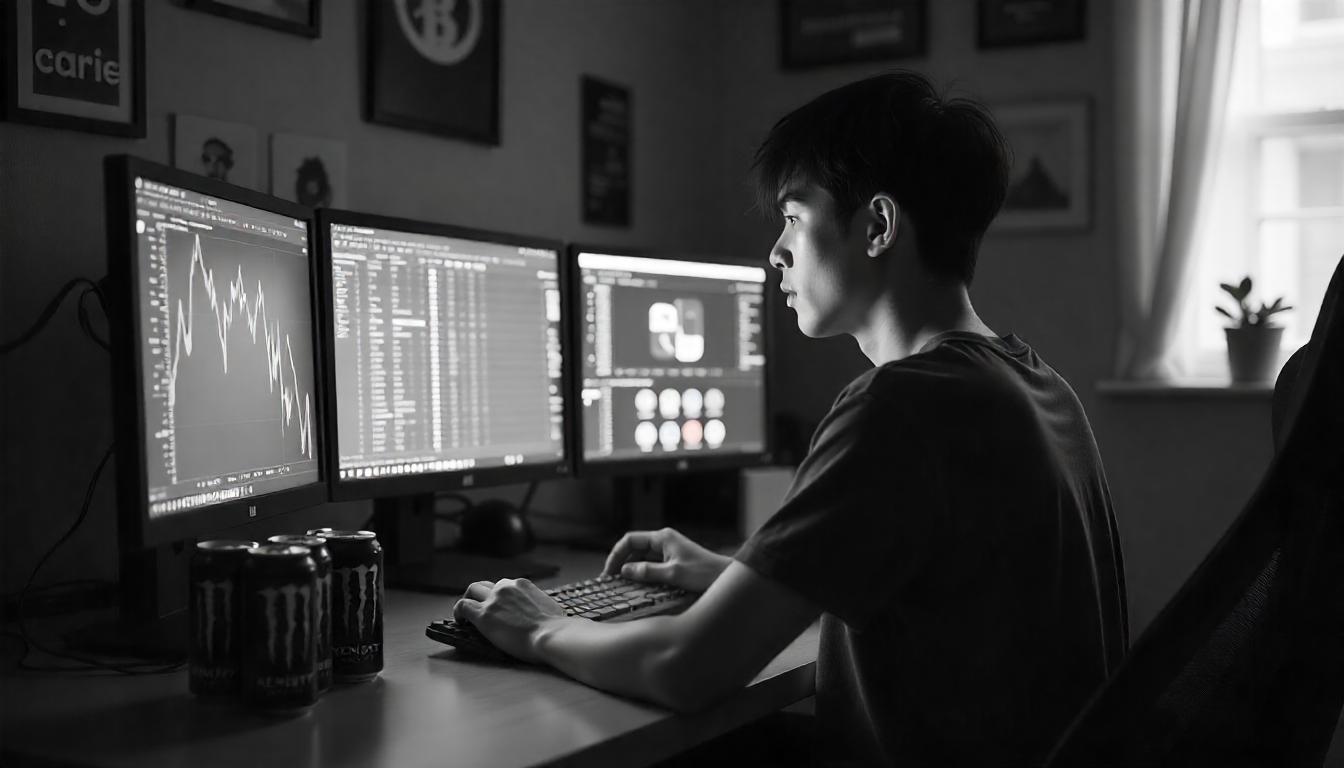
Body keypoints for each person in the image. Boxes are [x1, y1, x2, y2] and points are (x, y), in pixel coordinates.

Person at [452, 71, 1128, 767]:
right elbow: (945, 600)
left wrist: (541, 628)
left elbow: (688, 668)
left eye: (794, 219)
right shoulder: (1035, 383)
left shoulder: (901, 407)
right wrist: (736, 577)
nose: (776, 252)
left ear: (878, 226)